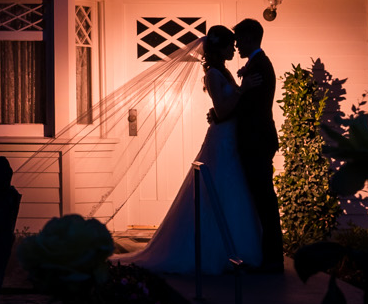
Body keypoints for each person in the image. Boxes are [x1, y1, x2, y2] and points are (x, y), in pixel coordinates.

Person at [112, 26, 263, 274]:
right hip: (222, 138)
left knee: (232, 189)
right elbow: (224, 110)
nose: (234, 49)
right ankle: (213, 251)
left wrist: (240, 87)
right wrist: (243, 90)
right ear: (220, 47)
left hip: (231, 137)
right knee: (219, 186)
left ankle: (237, 248)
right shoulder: (213, 74)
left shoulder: (223, 71)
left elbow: (226, 106)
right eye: (230, 45)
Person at [232, 16, 286, 272]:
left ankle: (273, 259)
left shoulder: (258, 66)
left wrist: (223, 110)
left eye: (239, 39)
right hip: (258, 139)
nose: (237, 45)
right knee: (263, 198)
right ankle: (269, 256)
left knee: (264, 199)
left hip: (256, 140)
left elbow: (249, 107)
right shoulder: (257, 64)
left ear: (251, 38)